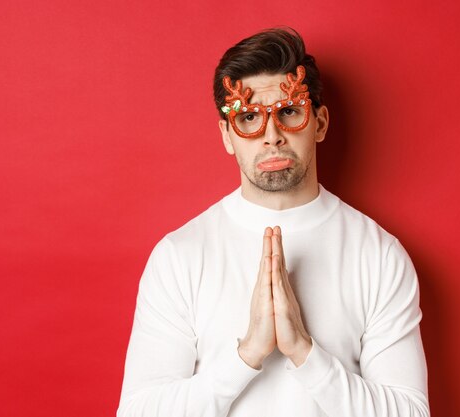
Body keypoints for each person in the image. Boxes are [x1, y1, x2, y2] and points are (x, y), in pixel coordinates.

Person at [117, 28, 429, 417]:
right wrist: (247, 355)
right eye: (248, 117)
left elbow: (412, 412)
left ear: (320, 122)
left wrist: (303, 350)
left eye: (289, 112)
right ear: (228, 136)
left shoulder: (379, 254)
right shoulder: (179, 256)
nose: (271, 135)